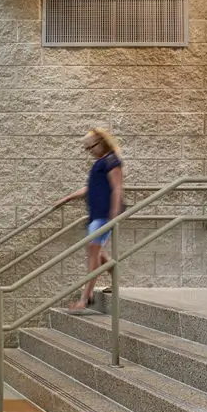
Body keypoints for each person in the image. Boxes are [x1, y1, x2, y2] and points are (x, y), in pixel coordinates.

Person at [56, 128, 124, 311]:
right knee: (96, 251)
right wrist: (68, 198)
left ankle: (85, 299)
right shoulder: (99, 163)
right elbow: (90, 188)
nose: (89, 151)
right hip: (95, 214)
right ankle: (113, 272)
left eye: (90, 147)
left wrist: (114, 215)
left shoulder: (111, 161)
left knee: (93, 252)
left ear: (101, 143)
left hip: (104, 216)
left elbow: (117, 188)